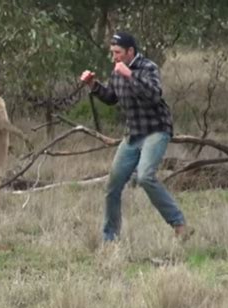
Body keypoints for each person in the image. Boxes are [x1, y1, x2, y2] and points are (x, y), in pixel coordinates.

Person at [80, 31, 192, 241]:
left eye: (118, 52)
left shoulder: (148, 68)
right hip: (133, 135)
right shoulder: (117, 72)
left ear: (130, 51)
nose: (114, 57)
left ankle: (179, 225)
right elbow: (112, 98)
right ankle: (110, 238)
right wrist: (93, 85)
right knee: (113, 186)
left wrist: (130, 75)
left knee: (145, 176)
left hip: (156, 130)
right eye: (112, 52)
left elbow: (153, 95)